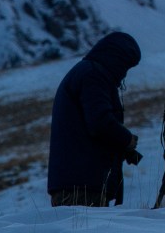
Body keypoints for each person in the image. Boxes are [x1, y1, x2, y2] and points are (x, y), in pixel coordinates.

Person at [48, 31, 143, 207]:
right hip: (83, 185)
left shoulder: (87, 72)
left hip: (76, 182)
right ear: (116, 59)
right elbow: (100, 122)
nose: (124, 74)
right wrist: (126, 139)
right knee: (85, 226)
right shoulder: (93, 76)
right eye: (125, 66)